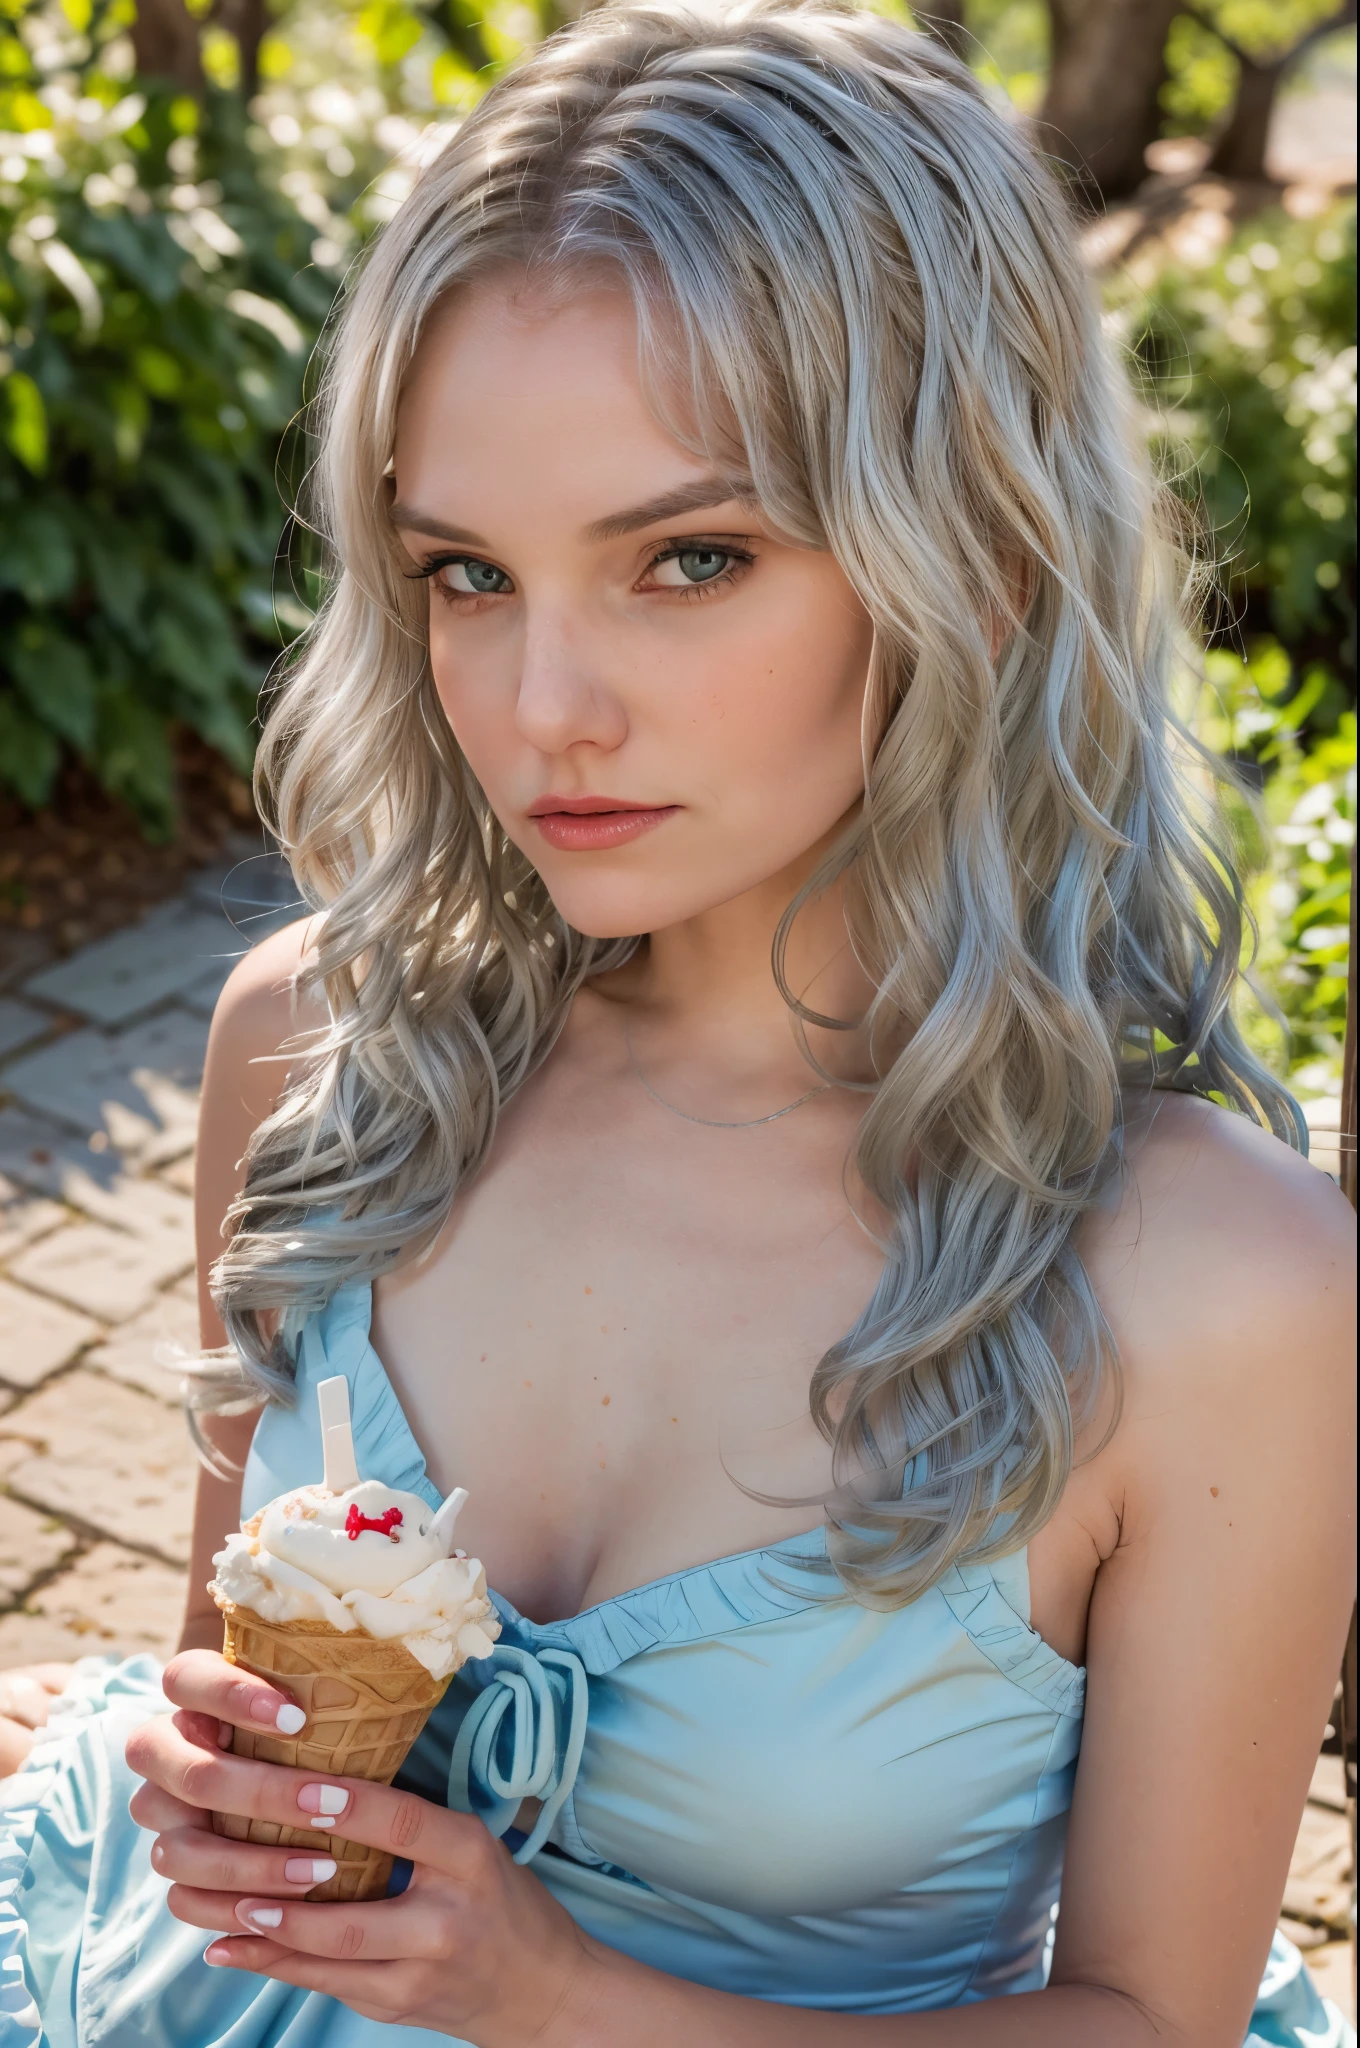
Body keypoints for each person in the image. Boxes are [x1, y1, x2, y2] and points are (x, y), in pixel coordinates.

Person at [1, 4, 1355, 2043]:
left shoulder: (1211, 1286)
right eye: (465, 573)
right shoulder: (315, 1058)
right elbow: (242, 1697)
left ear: (974, 558)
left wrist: (554, 1995)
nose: (543, 708)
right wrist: (203, 1770)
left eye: (685, 559)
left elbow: (1146, 2025)